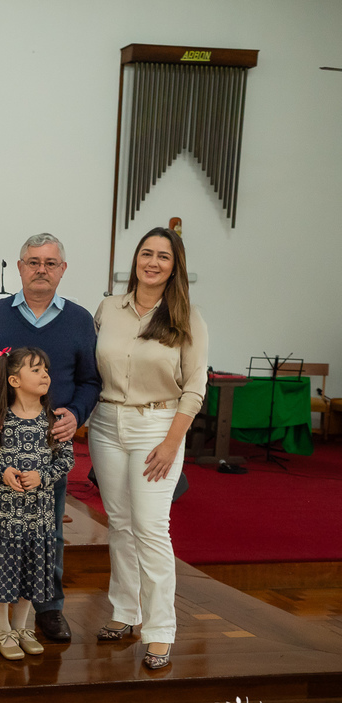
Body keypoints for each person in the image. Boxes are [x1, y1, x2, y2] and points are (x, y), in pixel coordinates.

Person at [0, 233, 100, 642]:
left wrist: (76, 413)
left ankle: (48, 607)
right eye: (33, 261)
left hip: (49, 443)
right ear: (19, 267)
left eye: (50, 263)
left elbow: (90, 380)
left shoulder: (79, 319)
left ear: (62, 270)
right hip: (2, 440)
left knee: (48, 529)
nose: (41, 269)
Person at [88, 227, 207, 669]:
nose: (153, 262)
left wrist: (171, 442)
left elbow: (195, 387)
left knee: (151, 529)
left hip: (157, 427)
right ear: (135, 260)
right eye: (146, 253)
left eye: (163, 256)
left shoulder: (187, 316)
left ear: (175, 267)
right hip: (105, 423)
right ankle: (124, 612)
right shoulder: (108, 308)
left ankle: (160, 630)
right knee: (118, 524)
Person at [0, 347, 75, 660]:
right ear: (15, 380)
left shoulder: (54, 420)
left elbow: (67, 458)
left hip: (39, 515)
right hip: (4, 515)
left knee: (31, 569)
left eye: (45, 369)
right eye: (36, 369)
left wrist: (43, 476)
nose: (44, 374)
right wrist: (1, 470)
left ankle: (22, 626)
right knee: (2, 568)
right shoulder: (0, 419)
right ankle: (2, 629)